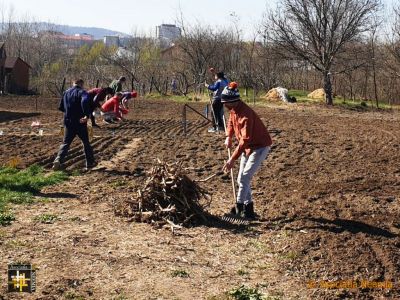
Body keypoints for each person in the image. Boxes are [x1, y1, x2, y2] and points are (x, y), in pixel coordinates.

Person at [221, 82, 273, 219]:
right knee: (240, 179)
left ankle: (238, 208)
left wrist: (232, 159)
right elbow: (231, 122)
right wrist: (228, 136)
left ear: (233, 101)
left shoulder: (246, 115)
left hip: (259, 147)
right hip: (247, 147)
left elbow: (245, 141)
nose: (225, 106)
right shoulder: (234, 110)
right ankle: (249, 210)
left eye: (226, 103)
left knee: (244, 178)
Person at [52, 79, 96, 171]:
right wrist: (86, 115)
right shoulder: (82, 92)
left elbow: (61, 107)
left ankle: (58, 159)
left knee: (66, 142)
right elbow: (84, 101)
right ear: (81, 84)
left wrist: (69, 112)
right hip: (80, 122)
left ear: (73, 83)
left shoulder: (66, 92)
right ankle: (90, 163)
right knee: (85, 142)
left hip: (68, 122)